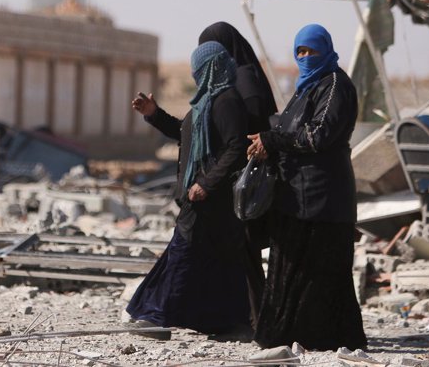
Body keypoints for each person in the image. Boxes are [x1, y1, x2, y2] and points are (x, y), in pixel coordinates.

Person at [247, 23, 367, 351]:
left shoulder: (334, 86)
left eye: (310, 50)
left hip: (323, 197)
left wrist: (272, 139)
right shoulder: (306, 88)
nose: (304, 57)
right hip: (298, 195)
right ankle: (294, 336)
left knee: (324, 271)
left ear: (325, 50)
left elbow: (318, 136)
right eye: (299, 51)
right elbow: (289, 127)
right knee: (293, 269)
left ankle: (323, 337)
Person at [126, 41, 251, 337]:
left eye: (199, 68)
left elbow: (236, 147)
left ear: (212, 69)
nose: (195, 74)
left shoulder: (227, 101)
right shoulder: (207, 101)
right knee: (213, 262)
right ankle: (230, 323)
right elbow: (186, 135)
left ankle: (158, 318)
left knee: (182, 254)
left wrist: (206, 183)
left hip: (209, 197)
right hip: (200, 196)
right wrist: (154, 114)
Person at [197, 21, 277, 328]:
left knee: (245, 251)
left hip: (247, 181)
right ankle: (249, 318)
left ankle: (256, 321)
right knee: (243, 252)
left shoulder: (244, 85)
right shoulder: (245, 77)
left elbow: (246, 135)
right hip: (245, 179)